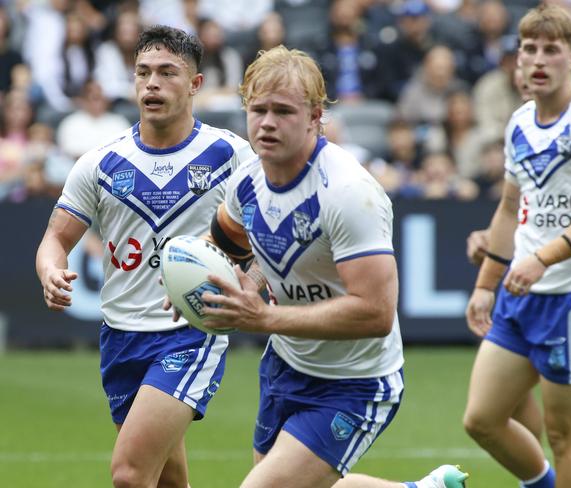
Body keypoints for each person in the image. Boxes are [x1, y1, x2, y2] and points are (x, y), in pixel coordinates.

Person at [192, 45, 468, 488]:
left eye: (283, 111)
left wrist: (265, 317)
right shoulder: (247, 179)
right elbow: (225, 243)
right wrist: (185, 277)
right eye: (257, 109)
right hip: (287, 363)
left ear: (315, 117)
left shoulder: (348, 192)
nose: (266, 122)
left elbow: (376, 313)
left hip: (355, 382)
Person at [35, 25, 255, 488]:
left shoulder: (229, 155)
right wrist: (51, 270)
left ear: (195, 84)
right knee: (168, 481)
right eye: (143, 72)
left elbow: (264, 234)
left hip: (189, 330)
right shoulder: (100, 162)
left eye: (167, 73)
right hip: (120, 333)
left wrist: (251, 281)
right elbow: (55, 238)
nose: (152, 83)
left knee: (130, 476)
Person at [463, 5, 571, 488]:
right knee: (482, 419)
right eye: (529, 48)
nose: (538, 59)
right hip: (520, 295)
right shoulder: (518, 122)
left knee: (565, 433)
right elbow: (509, 207)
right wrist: (484, 286)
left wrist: (541, 257)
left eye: (551, 50)